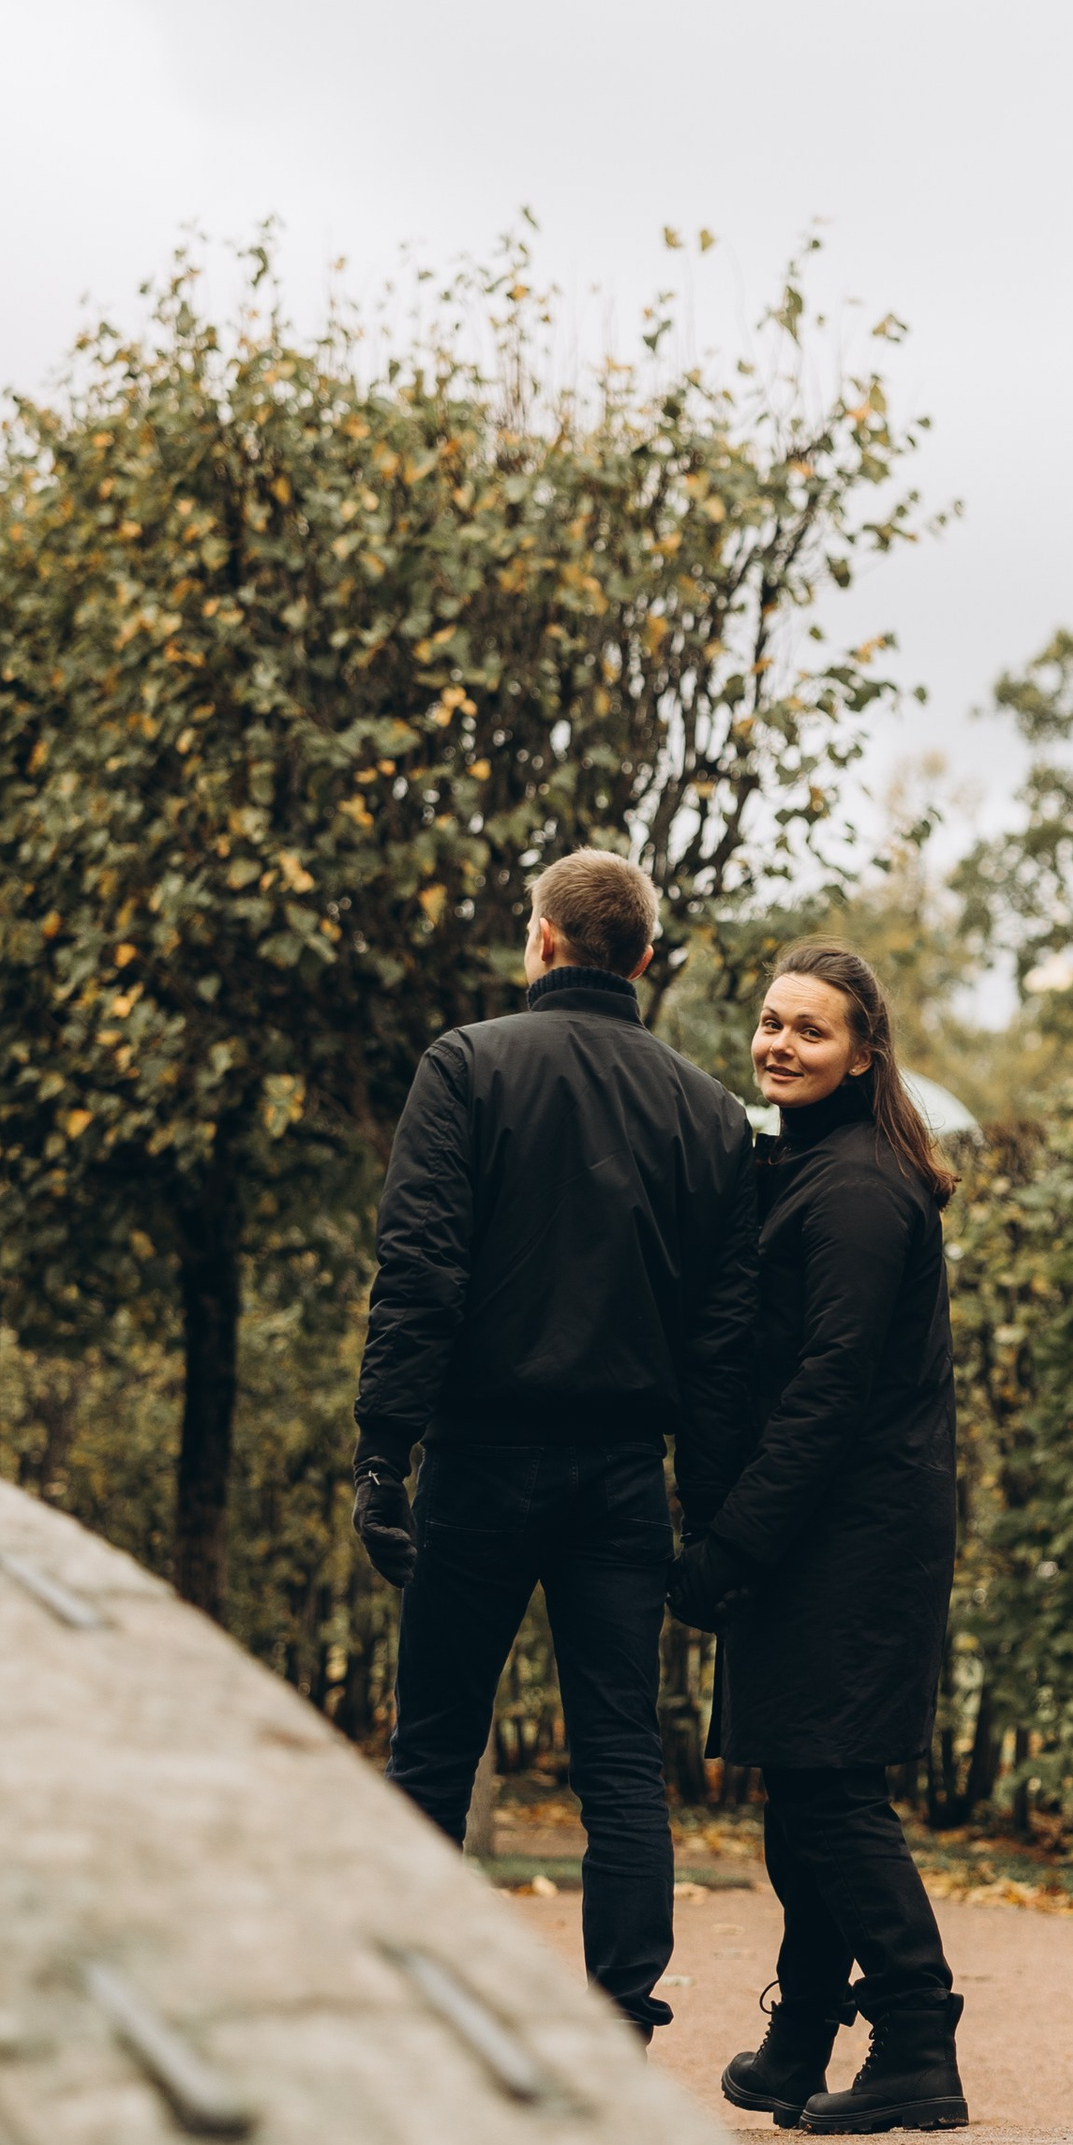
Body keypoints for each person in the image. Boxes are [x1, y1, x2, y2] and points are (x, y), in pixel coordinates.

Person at [352, 849, 756, 2041]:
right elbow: (723, 1337)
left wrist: (385, 1455)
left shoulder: (466, 1066)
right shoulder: (708, 1114)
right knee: (620, 1756)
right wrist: (711, 1510)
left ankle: (417, 1994)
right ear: (642, 959)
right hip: (623, 1475)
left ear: (539, 943)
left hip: (479, 1460)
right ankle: (621, 2003)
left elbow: (418, 1269)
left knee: (432, 1743)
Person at [667, 942, 968, 2135]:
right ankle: (800, 2039)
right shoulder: (805, 1168)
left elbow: (827, 1393)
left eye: (810, 1031)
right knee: (804, 1796)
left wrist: (730, 1547)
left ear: (861, 1056)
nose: (779, 1044)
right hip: (825, 1532)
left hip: (850, 1538)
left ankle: (915, 2039)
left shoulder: (853, 1191)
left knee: (832, 1797)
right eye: (770, 1022)